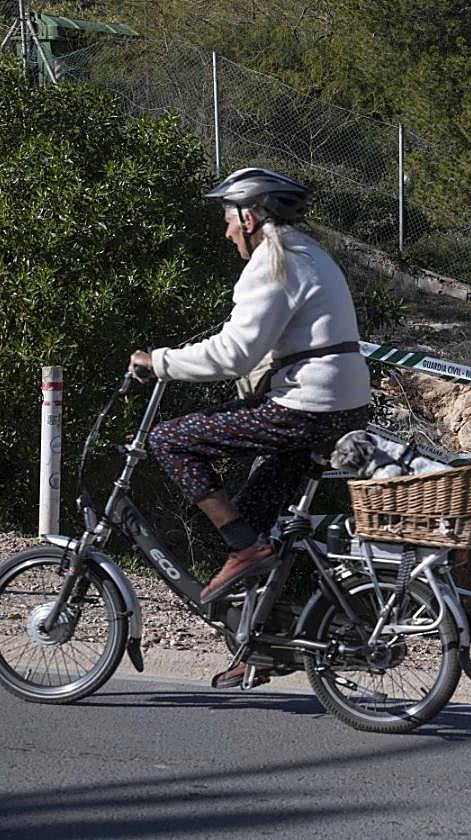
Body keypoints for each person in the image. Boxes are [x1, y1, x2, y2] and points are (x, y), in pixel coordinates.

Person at [129, 167, 372, 686]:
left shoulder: (274, 262)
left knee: (170, 440)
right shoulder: (307, 253)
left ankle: (246, 552)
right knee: (257, 516)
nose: (226, 232)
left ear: (251, 214)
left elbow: (235, 353)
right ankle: (259, 645)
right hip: (338, 404)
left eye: (228, 219)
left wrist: (160, 362)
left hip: (309, 408)